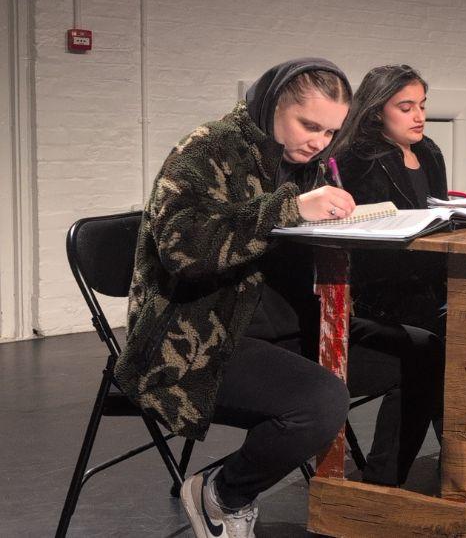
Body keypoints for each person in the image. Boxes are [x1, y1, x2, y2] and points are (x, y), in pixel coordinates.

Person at [113, 58, 437, 538]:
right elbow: (182, 248)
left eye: (330, 132)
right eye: (309, 126)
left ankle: (376, 494)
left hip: (285, 323)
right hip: (198, 337)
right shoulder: (209, 150)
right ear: (273, 104)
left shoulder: (306, 161)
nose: (320, 142)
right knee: (322, 402)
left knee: (423, 353)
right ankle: (222, 493)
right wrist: (288, 208)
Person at [328, 63, 446, 477]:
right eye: (406, 107)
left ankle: (463, 459)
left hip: (428, 284)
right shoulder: (355, 158)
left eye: (422, 106)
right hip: (378, 294)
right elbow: (357, 240)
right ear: (378, 111)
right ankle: (386, 477)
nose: (419, 116)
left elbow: (436, 217)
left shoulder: (429, 151)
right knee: (441, 354)